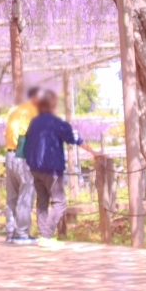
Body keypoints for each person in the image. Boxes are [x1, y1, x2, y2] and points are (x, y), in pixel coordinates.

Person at [17, 88, 95, 243]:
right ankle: (46, 235)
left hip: (35, 168)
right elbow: (75, 138)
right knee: (59, 202)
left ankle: (42, 235)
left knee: (42, 202)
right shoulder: (56, 122)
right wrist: (94, 152)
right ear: (51, 105)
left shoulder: (34, 122)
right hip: (51, 168)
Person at [1, 85, 39, 243]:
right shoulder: (34, 112)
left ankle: (10, 231)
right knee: (26, 194)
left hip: (10, 155)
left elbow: (7, 133)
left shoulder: (14, 110)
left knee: (12, 196)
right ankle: (21, 233)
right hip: (23, 155)